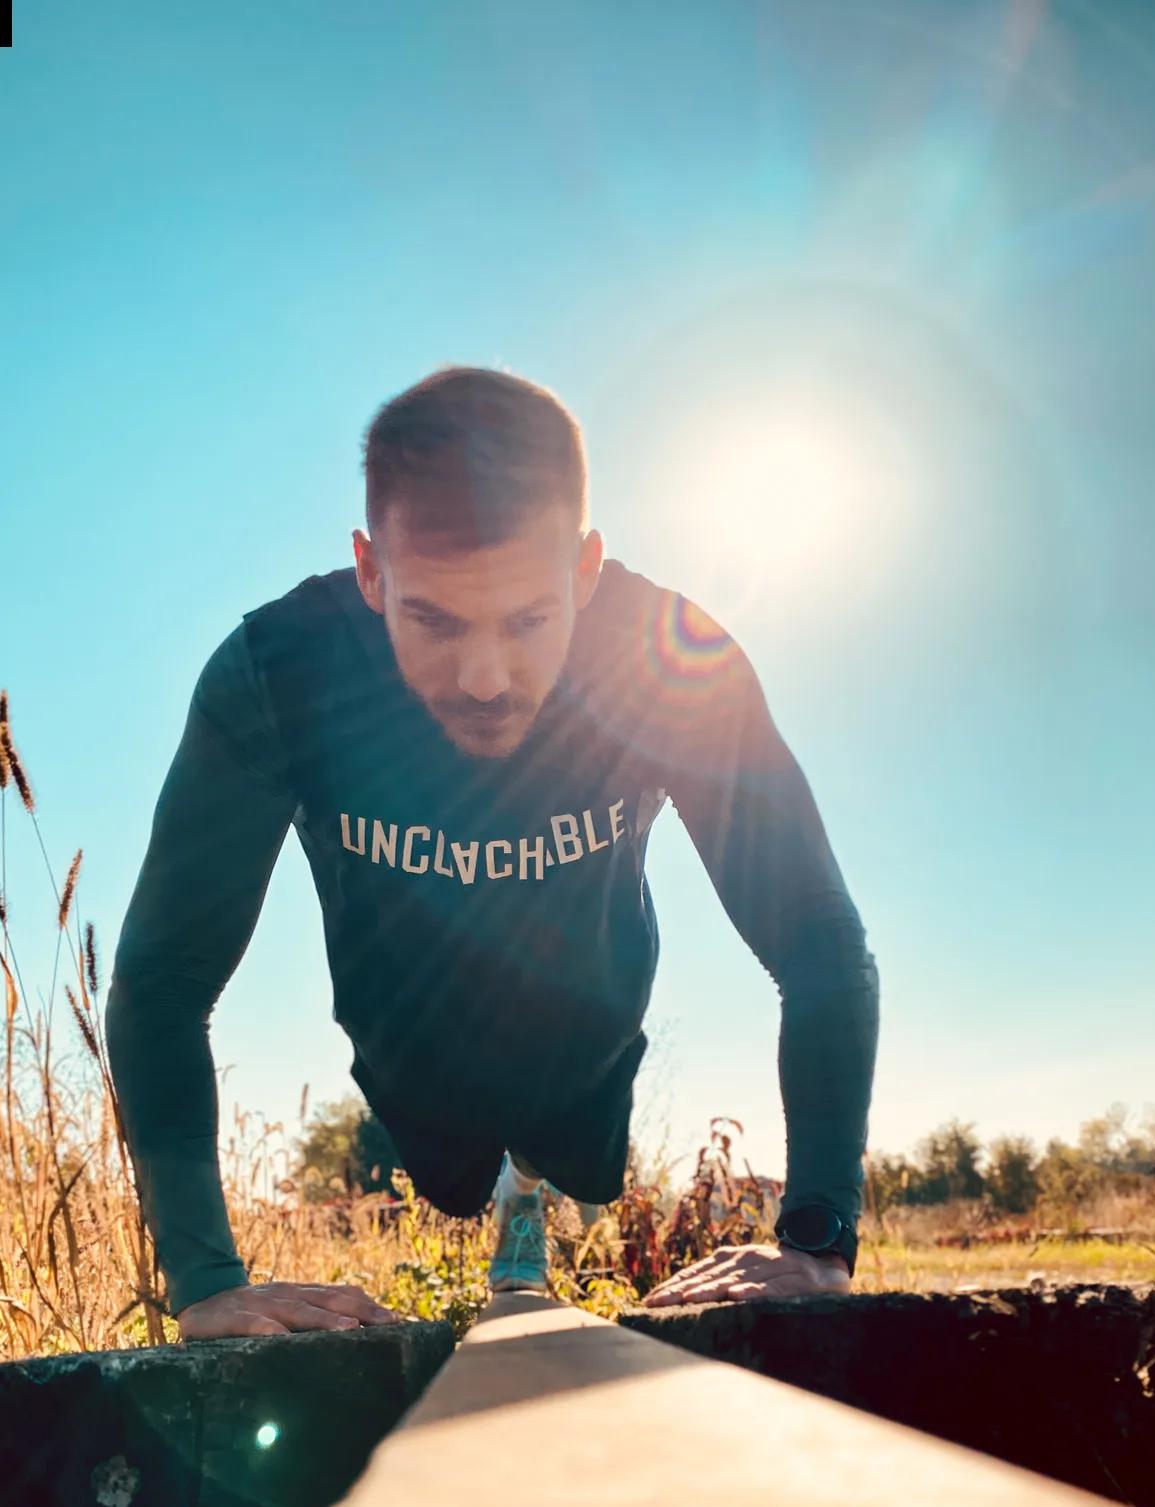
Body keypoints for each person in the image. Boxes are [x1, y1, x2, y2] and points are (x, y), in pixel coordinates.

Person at [106, 367, 879, 1340]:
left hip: (587, 1039)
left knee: (577, 1157)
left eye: (527, 622)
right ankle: (503, 1186)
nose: (482, 680)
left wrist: (816, 1240)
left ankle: (532, 1189)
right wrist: (208, 1280)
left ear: (585, 571)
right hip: (410, 1048)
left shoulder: (672, 661)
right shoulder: (275, 676)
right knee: (449, 1177)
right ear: (371, 571)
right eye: (431, 619)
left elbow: (816, 937)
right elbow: (162, 985)